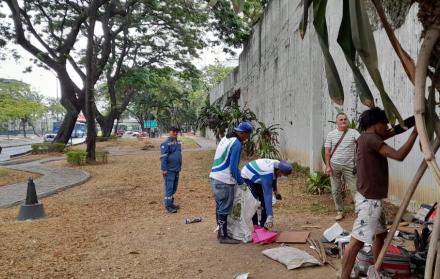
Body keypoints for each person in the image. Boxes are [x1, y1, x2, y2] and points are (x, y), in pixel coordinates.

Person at [340, 107, 417, 279]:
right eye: (385, 124)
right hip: (370, 201)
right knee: (355, 244)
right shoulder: (373, 139)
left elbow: (392, 132)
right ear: (376, 124)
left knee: (380, 235)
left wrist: (413, 120)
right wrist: (415, 133)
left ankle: (376, 270)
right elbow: (399, 155)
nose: (387, 127)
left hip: (370, 197)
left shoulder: (365, 137)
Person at [209, 121, 253, 244]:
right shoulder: (237, 143)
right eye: (248, 135)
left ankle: (221, 232)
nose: (247, 138)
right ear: (243, 133)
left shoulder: (226, 138)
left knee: (219, 206)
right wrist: (241, 182)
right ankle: (223, 236)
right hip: (224, 180)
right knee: (224, 208)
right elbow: (233, 168)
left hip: (214, 178)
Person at [325, 112, 360, 221]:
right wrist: (328, 166)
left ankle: (359, 212)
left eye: (345, 119)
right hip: (334, 165)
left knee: (355, 190)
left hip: (350, 166)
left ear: (348, 121)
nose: (343, 121)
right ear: (337, 122)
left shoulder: (354, 132)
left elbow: (362, 143)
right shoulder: (331, 134)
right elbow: (327, 152)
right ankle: (340, 211)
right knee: (335, 190)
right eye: (341, 120)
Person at [241, 159, 293, 229]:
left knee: (264, 202)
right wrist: (270, 215)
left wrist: (275, 191)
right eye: (282, 174)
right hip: (248, 176)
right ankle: (254, 225)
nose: (281, 176)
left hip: (259, 174)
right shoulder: (267, 174)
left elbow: (275, 177)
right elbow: (267, 195)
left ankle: (263, 226)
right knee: (253, 201)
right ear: (279, 170)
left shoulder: (277, 165)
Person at [160, 126, 182, 213]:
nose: (175, 133)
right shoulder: (165, 143)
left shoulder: (177, 143)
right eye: (174, 131)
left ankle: (171, 203)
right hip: (169, 170)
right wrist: (164, 169)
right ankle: (168, 206)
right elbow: (163, 157)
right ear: (169, 132)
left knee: (174, 188)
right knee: (169, 188)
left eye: (176, 132)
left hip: (176, 169)